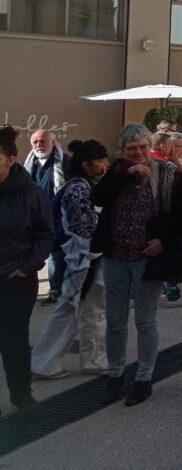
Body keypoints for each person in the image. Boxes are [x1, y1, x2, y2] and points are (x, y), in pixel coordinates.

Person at [91, 123, 182, 406]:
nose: (138, 153)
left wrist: (162, 240)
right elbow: (96, 197)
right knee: (114, 319)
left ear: (151, 147)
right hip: (115, 256)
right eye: (131, 149)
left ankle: (144, 378)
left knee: (145, 319)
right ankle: (114, 375)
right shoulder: (116, 171)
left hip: (147, 258)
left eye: (143, 147)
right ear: (122, 151)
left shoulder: (168, 174)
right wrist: (125, 176)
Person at [31, 140, 110, 379]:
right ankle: (48, 362)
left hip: (83, 259)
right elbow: (85, 230)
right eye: (100, 160)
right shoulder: (79, 189)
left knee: (81, 311)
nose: (105, 164)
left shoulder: (82, 186)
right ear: (86, 164)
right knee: (80, 311)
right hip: (85, 260)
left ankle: (55, 361)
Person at [0, 126, 54, 414]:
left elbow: (45, 234)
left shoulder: (30, 194)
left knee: (13, 338)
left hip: (16, 278)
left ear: (11, 159)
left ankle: (21, 395)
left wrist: (28, 266)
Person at [24, 129, 65, 305]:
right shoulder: (27, 165)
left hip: (57, 217)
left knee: (56, 256)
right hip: (32, 218)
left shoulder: (65, 163)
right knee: (31, 255)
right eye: (35, 142)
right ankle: (26, 291)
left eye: (43, 141)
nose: (39, 145)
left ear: (52, 143)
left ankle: (55, 290)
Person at [152, 132, 182, 306]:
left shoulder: (149, 160)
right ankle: (172, 293)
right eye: (173, 146)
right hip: (166, 215)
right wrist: (175, 159)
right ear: (163, 146)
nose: (176, 150)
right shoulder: (164, 163)